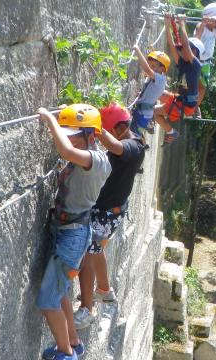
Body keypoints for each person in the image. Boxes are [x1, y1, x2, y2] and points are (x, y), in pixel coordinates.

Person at [36, 104, 113, 360]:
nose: (69, 138)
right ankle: (73, 342)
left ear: (92, 136)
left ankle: (65, 354)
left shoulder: (99, 160)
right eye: (67, 132)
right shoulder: (84, 155)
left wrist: (49, 120)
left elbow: (65, 149)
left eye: (74, 134)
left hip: (73, 236)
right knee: (61, 293)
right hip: (67, 232)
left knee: (48, 301)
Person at [73, 103, 146, 329]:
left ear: (122, 127)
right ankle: (104, 290)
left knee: (88, 255)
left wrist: (92, 123)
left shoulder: (134, 147)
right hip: (106, 209)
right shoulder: (130, 143)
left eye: (107, 129)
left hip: (107, 212)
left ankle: (87, 310)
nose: (102, 135)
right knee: (95, 252)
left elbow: (114, 146)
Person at [153, 14, 204, 146]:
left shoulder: (196, 66)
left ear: (194, 51)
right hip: (180, 100)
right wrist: (167, 24)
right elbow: (172, 45)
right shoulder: (183, 63)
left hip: (185, 106)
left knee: (154, 112)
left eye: (188, 49)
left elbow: (186, 46)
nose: (182, 51)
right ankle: (168, 130)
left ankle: (171, 132)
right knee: (155, 90)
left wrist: (182, 24)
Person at [193, 2, 216, 117]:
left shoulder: (215, 31)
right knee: (192, 85)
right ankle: (189, 105)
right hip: (197, 61)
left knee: (203, 88)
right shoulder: (200, 26)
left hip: (206, 63)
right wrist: (204, 23)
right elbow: (195, 39)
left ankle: (195, 107)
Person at [129, 46, 170, 139]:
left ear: (163, 69)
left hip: (143, 115)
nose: (151, 68)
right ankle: (143, 142)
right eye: (150, 65)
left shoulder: (160, 79)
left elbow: (147, 69)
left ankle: (140, 144)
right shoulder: (158, 77)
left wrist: (137, 50)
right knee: (136, 132)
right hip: (144, 114)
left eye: (153, 66)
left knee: (133, 136)